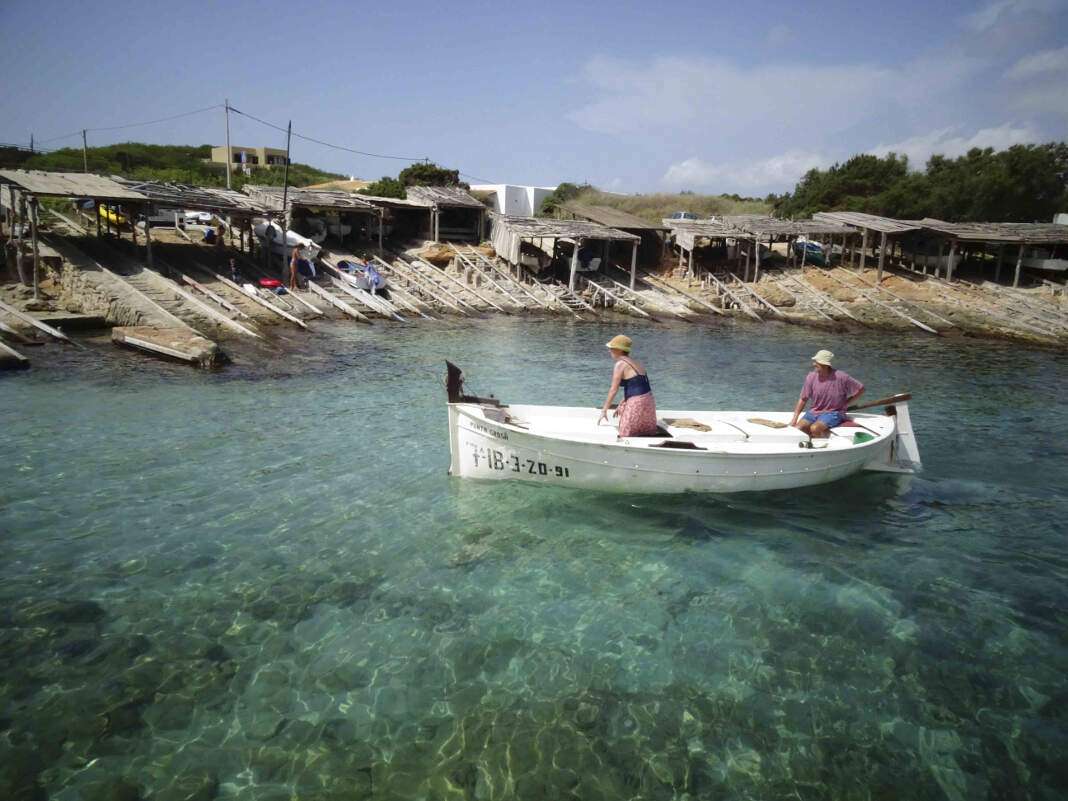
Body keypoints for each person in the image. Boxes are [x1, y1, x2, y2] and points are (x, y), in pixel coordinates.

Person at [789, 349, 864, 439]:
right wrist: (794, 419)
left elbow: (861, 389)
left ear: (825, 365)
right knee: (798, 429)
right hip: (814, 412)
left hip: (833, 413)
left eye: (816, 362)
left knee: (815, 428)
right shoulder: (811, 377)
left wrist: (847, 403)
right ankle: (810, 441)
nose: (813, 364)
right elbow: (803, 399)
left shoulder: (842, 377)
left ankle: (820, 444)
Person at [599, 334, 659, 437]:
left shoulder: (620, 364)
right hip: (649, 402)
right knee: (644, 432)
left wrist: (604, 410)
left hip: (637, 403)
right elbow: (638, 386)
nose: (609, 351)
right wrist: (622, 402)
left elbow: (613, 390)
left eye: (611, 348)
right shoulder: (637, 363)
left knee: (625, 434)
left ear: (619, 350)